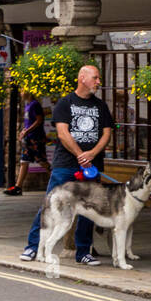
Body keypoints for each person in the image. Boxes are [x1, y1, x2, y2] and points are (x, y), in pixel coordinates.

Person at [20, 65, 115, 265]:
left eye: (98, 78)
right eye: (95, 78)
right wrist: (81, 155)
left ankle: (83, 252)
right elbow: (63, 133)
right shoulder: (65, 103)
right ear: (82, 78)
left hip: (91, 165)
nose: (98, 82)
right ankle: (32, 247)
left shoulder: (101, 106)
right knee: (50, 205)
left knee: (89, 209)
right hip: (66, 164)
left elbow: (107, 133)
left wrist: (92, 153)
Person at [4, 91, 48, 196]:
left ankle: (58, 181)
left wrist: (27, 131)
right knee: (24, 161)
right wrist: (24, 131)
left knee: (42, 161)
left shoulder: (35, 104)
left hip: (36, 138)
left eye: (23, 89)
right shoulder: (27, 105)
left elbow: (39, 120)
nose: (21, 92)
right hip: (28, 138)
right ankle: (18, 187)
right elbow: (28, 122)